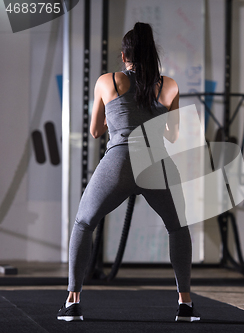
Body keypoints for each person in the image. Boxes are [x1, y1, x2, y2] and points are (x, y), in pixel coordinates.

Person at [57, 22, 200, 322]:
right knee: (178, 227)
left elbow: (96, 130)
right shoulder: (170, 85)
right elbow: (172, 136)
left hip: (120, 160)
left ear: (124, 57)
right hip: (157, 162)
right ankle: (185, 305)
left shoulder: (107, 81)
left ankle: (73, 302)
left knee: (84, 222)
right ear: (152, 55)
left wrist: (117, 118)